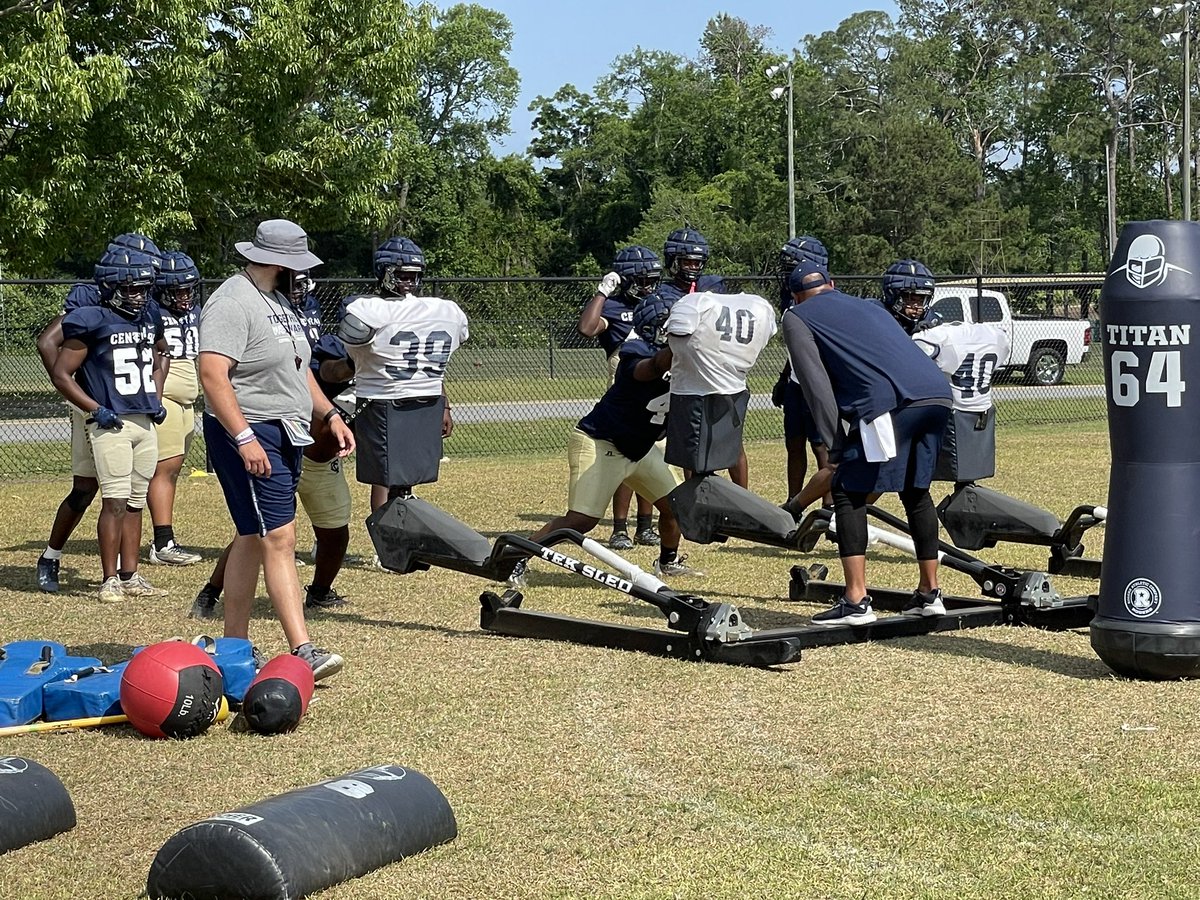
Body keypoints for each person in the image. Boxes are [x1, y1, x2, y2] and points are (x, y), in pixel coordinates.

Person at [198, 219, 353, 681]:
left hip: (287, 429)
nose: (301, 273)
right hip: (251, 430)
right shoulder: (231, 301)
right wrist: (244, 436)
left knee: (251, 535)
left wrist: (328, 414)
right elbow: (212, 375)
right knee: (279, 539)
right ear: (276, 261)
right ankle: (302, 649)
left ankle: (233, 647)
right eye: (297, 264)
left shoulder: (279, 300)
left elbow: (298, 369)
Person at [781, 261, 953, 626]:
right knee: (916, 490)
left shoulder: (797, 317)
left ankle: (856, 600)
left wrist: (835, 442)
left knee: (847, 490)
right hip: (937, 393)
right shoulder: (871, 306)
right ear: (833, 283)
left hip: (888, 402)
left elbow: (816, 387)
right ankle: (929, 593)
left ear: (795, 296)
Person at [507, 293, 699, 588]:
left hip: (641, 450)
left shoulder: (684, 359)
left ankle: (668, 561)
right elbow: (652, 368)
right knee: (581, 521)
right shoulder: (635, 350)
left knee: (676, 507)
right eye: (674, 328)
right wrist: (679, 350)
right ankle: (516, 557)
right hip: (601, 442)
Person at [34, 232, 161, 592]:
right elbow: (48, 343)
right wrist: (84, 394)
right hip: (95, 404)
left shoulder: (142, 303)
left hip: (128, 407)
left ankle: (127, 571)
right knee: (86, 488)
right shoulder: (91, 298)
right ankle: (51, 556)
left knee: (125, 493)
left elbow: (158, 349)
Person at [337, 236, 467, 513]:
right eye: (402, 274)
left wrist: (444, 403)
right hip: (409, 403)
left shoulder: (366, 309)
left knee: (397, 479)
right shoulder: (445, 310)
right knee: (389, 479)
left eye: (413, 275)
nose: (408, 280)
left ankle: (393, 541)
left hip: (389, 400)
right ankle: (391, 538)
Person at [882, 259, 1012, 488]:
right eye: (909, 297)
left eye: (920, 298)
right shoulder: (880, 318)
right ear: (893, 294)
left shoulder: (933, 329)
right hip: (891, 404)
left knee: (908, 481)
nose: (915, 305)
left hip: (919, 408)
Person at [652, 227, 756, 487]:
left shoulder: (712, 287)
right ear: (673, 261)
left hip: (716, 373)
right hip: (681, 378)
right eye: (687, 261)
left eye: (697, 262)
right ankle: (697, 503)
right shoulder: (663, 294)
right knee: (690, 447)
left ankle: (744, 501)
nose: (693, 267)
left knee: (731, 442)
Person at [577, 245, 662, 550]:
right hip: (625, 391)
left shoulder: (658, 303)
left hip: (656, 391)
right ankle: (619, 528)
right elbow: (587, 328)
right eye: (641, 280)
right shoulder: (613, 308)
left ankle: (646, 525)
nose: (648, 287)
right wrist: (602, 292)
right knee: (625, 463)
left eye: (652, 279)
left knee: (653, 461)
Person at [658, 280, 776, 490]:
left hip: (694, 391)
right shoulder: (755, 306)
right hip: (735, 388)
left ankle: (698, 499)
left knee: (693, 452)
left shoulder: (699, 302)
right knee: (733, 446)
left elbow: (677, 332)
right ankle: (742, 496)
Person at [145, 250, 203, 566]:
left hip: (187, 400)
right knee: (164, 468)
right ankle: (162, 543)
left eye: (188, 289)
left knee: (173, 468)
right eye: (177, 290)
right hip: (164, 393)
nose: (184, 296)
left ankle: (162, 538)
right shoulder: (152, 311)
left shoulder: (195, 311)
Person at [771, 236, 832, 499]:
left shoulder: (826, 300)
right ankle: (792, 502)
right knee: (794, 445)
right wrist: (785, 377)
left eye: (791, 265)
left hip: (819, 384)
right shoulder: (791, 297)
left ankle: (831, 507)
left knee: (822, 448)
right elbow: (797, 346)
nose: (786, 271)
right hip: (797, 384)